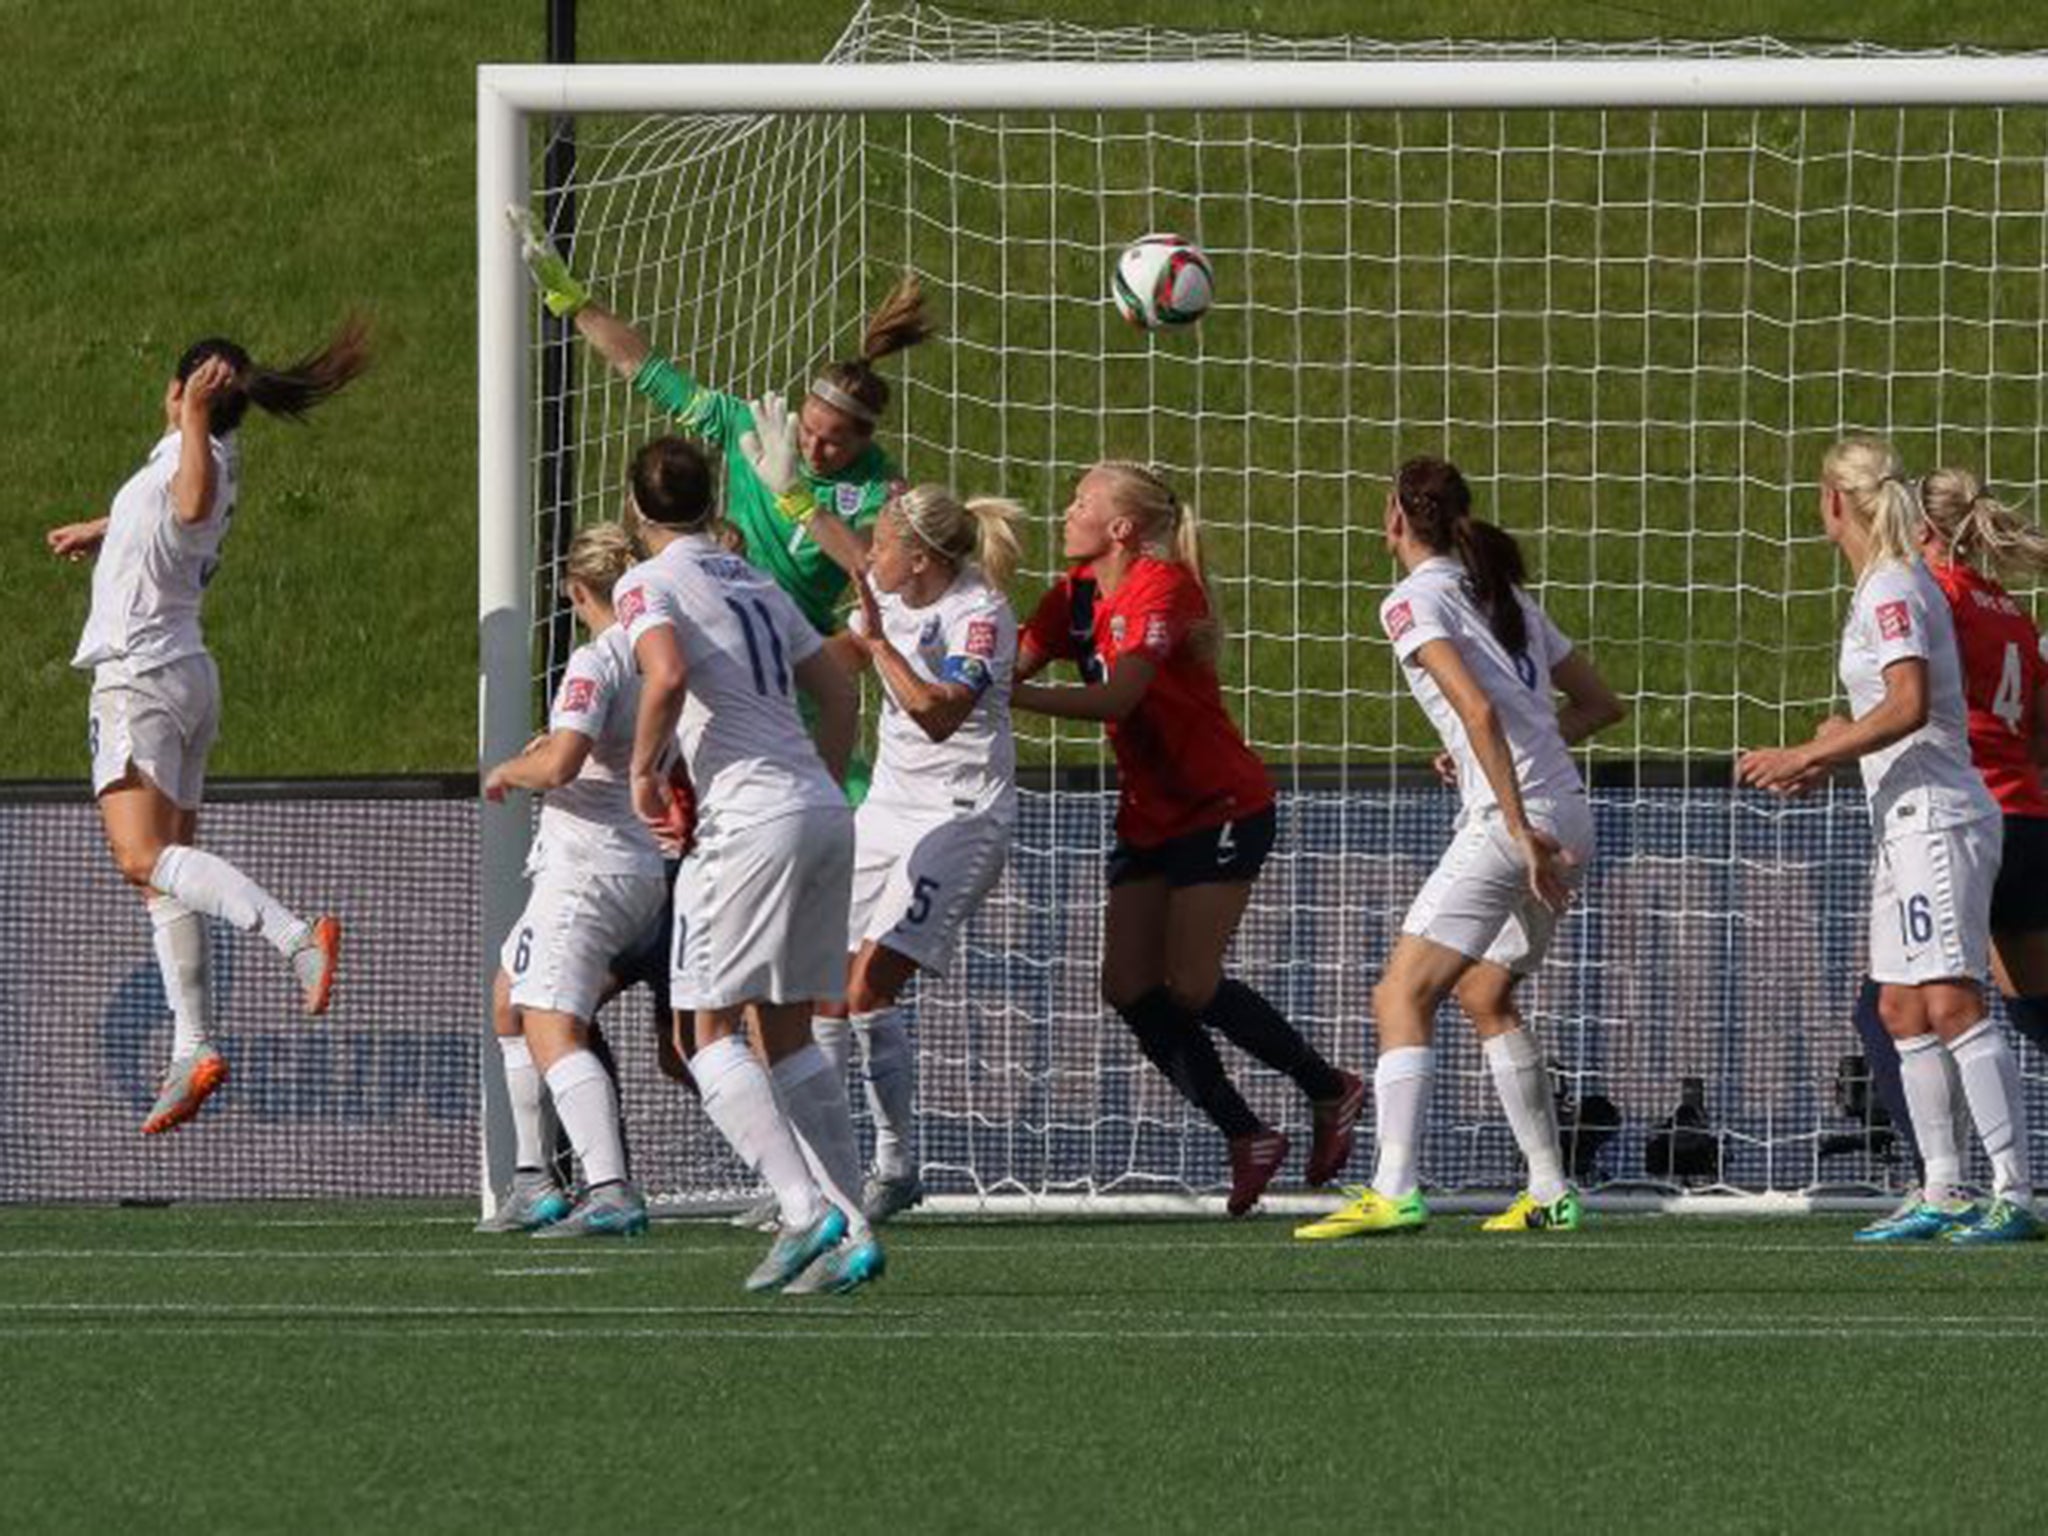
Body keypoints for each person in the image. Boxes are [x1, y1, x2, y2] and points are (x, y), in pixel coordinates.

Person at [1013, 461, 1363, 1217]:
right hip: (1148, 814)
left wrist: (1004, 691)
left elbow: (1118, 694)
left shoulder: (1163, 587)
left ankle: (1330, 1088)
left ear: (1122, 529)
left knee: (1193, 984)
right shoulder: (1071, 597)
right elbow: (1004, 657)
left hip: (1220, 806)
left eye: (1082, 502)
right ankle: (1246, 1132)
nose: (1065, 512)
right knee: (1128, 987)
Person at [45, 320, 369, 1136]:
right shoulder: (212, 456)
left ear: (180, 394)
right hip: (185, 672)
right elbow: (172, 506)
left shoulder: (195, 454)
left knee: (139, 856)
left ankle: (298, 937)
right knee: (165, 876)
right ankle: (192, 1045)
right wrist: (105, 528)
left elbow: (185, 507)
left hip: (140, 678)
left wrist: (190, 410)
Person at [1295, 457, 1625, 1241]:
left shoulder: (1410, 601)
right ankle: (1549, 1190)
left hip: (1521, 827)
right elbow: (1600, 705)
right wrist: (1500, 769)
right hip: (1569, 813)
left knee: (1399, 996)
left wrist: (1512, 819)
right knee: (1484, 996)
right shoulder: (1503, 593)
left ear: (1396, 520)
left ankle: (1393, 1188)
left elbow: (1475, 709)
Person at [1738, 437, 2039, 1245]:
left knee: (1952, 1000)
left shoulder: (1895, 587)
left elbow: (1907, 706)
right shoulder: (1887, 584)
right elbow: (1900, 717)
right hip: (1903, 817)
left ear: (1837, 501)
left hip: (1938, 816)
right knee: (1902, 1006)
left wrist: (1806, 752)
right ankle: (1942, 1186)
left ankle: (2016, 1190)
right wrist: (1828, 762)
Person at [613, 435, 885, 1293]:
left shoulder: (647, 581)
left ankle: (805, 1211)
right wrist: (826, 787)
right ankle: (857, 1231)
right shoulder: (753, 575)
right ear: (710, 499)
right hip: (819, 810)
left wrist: (643, 776)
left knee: (706, 1030)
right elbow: (840, 691)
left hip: (748, 822)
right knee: (788, 1029)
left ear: (635, 508)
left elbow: (663, 675)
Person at [510, 206, 927, 643]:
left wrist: (799, 501)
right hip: (720, 624)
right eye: (806, 429)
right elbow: (650, 372)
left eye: (833, 443)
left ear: (865, 439)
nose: (812, 448)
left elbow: (872, 567)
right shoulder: (753, 429)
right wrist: (576, 305)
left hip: (797, 646)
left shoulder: (881, 487)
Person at [816, 484, 1024, 1222]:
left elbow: (939, 715)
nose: (870, 557)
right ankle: (824, 1173)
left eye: (883, 545)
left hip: (960, 816)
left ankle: (895, 1165)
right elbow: (841, 648)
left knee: (871, 990)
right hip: (885, 813)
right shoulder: (887, 585)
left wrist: (878, 646)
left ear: (924, 559)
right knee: (825, 992)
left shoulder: (981, 614)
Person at [1846, 467, 2048, 1188]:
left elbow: (1919, 701)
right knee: (2029, 1007)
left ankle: (1956, 1181)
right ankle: (1955, 1181)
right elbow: (2039, 732)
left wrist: (1834, 735)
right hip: (2027, 814)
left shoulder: (1936, 595)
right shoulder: (2011, 606)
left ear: (1924, 529)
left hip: (1961, 812)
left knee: (1898, 1008)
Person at [477, 523, 669, 1237]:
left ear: (577, 590)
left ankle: (610, 1186)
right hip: (631, 859)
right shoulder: (660, 653)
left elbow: (559, 766)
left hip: (589, 865)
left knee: (550, 1024)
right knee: (508, 1000)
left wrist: (510, 769)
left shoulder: (597, 659)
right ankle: (535, 1178)